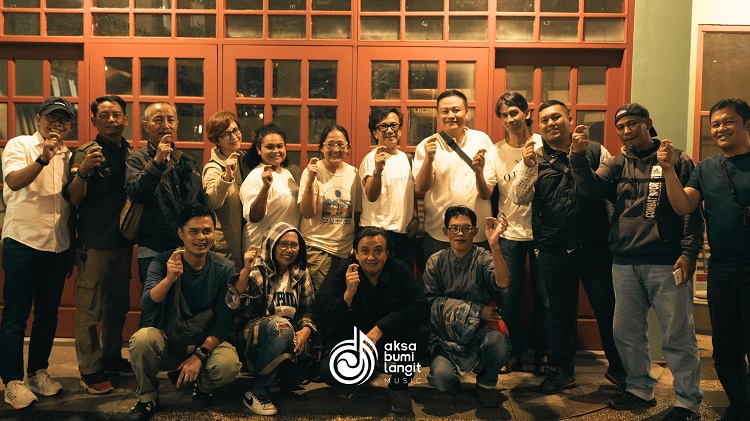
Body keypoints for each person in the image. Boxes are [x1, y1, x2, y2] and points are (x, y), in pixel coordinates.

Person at [570, 103, 703, 420]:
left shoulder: (676, 159)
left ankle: (687, 402)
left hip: (667, 262)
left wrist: (689, 253)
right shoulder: (617, 164)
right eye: (621, 127)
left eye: (633, 124)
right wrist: (577, 156)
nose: (626, 131)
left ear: (648, 123)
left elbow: (691, 211)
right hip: (624, 261)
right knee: (626, 332)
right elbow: (591, 189)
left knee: (677, 336)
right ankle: (639, 390)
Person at [509, 99, 625, 395]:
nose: (551, 123)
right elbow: (519, 198)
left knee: (607, 307)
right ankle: (563, 372)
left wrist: (614, 237)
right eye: (544, 120)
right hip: (553, 249)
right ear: (539, 126)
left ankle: (619, 368)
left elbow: (611, 194)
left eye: (556, 117)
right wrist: (527, 167)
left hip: (595, 246)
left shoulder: (596, 151)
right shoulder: (533, 158)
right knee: (560, 313)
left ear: (570, 119)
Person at [660, 98, 750, 421]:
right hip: (721, 270)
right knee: (725, 350)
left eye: (728, 122)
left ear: (746, 125)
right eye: (715, 124)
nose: (721, 128)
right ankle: (739, 408)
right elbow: (683, 206)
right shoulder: (706, 168)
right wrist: (669, 171)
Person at [125, 204, 241, 421]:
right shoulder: (163, 261)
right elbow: (148, 304)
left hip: (204, 344)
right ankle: (148, 397)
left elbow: (225, 320)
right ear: (181, 233)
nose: (201, 237)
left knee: (228, 365)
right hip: (170, 341)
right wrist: (169, 279)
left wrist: (199, 356)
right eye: (193, 231)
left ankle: (203, 386)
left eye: (207, 231)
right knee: (141, 340)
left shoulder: (224, 268)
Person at [0, 97, 74, 410]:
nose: (57, 124)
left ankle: (37, 373)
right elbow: (14, 181)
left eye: (64, 119)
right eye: (52, 117)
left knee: (48, 314)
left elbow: (68, 202)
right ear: (39, 119)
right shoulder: (20, 145)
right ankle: (12, 382)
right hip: (22, 241)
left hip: (57, 245)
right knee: (16, 314)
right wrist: (43, 158)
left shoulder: (69, 154)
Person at [62, 95, 135, 394]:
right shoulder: (86, 152)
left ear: (125, 119)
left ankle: (111, 356)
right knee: (90, 310)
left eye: (116, 114)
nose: (111, 120)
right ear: (93, 120)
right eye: (103, 115)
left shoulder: (130, 153)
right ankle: (90, 370)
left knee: (117, 306)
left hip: (122, 243)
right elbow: (73, 197)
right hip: (94, 244)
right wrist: (83, 172)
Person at [322, 226, 430, 414]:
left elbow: (420, 307)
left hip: (389, 339)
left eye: (378, 251)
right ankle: (355, 376)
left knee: (420, 332)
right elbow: (332, 321)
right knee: (328, 371)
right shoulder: (344, 272)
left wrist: (380, 328)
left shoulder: (399, 270)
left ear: (387, 254)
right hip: (355, 340)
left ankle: (398, 387)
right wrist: (348, 294)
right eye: (365, 251)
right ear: (356, 253)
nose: (371, 257)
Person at [483, 92, 551, 375]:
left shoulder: (544, 144)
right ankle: (514, 351)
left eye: (514, 112)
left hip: (544, 232)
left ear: (526, 113)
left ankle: (543, 351)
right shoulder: (495, 152)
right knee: (508, 298)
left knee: (545, 297)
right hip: (509, 232)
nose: (509, 119)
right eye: (504, 115)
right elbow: (487, 190)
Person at [226, 222, 317, 416]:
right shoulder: (259, 270)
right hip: (253, 335)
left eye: (294, 245)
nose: (289, 250)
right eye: (283, 244)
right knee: (281, 327)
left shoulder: (301, 274)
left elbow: (307, 312)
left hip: (288, 336)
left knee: (298, 375)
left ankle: (274, 375)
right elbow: (234, 303)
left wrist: (305, 331)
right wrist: (245, 271)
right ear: (272, 245)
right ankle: (256, 392)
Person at [424, 205, 511, 408]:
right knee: (442, 380)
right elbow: (431, 305)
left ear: (474, 231)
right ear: (446, 232)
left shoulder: (482, 257)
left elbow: (503, 282)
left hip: (479, 333)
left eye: (466, 228)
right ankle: (452, 378)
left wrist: (494, 245)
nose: (460, 233)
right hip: (446, 336)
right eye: (454, 228)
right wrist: (477, 311)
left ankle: (486, 383)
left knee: (498, 342)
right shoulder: (435, 262)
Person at [124, 102, 204, 291]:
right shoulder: (137, 159)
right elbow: (137, 193)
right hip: (152, 249)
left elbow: (197, 203)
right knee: (154, 301)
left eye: (170, 120)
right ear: (146, 126)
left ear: (177, 124)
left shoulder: (186, 161)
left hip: (185, 248)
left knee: (186, 302)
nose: (165, 125)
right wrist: (157, 162)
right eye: (158, 120)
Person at [412, 89, 495, 259]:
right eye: (445, 111)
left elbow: (486, 193)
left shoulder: (482, 140)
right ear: (438, 115)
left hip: (477, 231)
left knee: (479, 274)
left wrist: (479, 172)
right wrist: (428, 159)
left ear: (467, 113)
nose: (451, 115)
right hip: (440, 231)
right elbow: (422, 186)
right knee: (438, 274)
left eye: (456, 110)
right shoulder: (427, 145)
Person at [299, 124, 361, 339]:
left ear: (348, 147)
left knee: (341, 301)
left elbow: (358, 212)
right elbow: (307, 212)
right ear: (321, 147)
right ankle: (317, 345)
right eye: (330, 144)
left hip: (345, 249)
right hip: (318, 247)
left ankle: (336, 344)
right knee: (318, 301)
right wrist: (310, 180)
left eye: (340, 144)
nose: (336, 149)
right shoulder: (312, 171)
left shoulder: (354, 173)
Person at [359, 108, 420, 267]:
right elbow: (371, 196)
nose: (389, 130)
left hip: (403, 234)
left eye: (394, 125)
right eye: (383, 126)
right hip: (377, 234)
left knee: (401, 279)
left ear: (400, 130)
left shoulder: (406, 158)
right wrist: (378, 171)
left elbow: (409, 191)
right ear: (375, 133)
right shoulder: (371, 159)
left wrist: (415, 217)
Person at [202, 110, 251, 271]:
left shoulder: (245, 161)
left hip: (248, 242)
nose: (233, 136)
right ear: (216, 140)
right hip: (227, 248)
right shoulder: (214, 168)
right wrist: (226, 176)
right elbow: (213, 202)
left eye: (235, 130)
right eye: (225, 134)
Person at [239, 124, 300, 251]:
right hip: (261, 249)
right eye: (270, 147)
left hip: (283, 249)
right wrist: (265, 187)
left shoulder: (287, 174)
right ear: (259, 150)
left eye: (280, 146)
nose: (276, 151)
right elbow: (254, 216)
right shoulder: (255, 176)